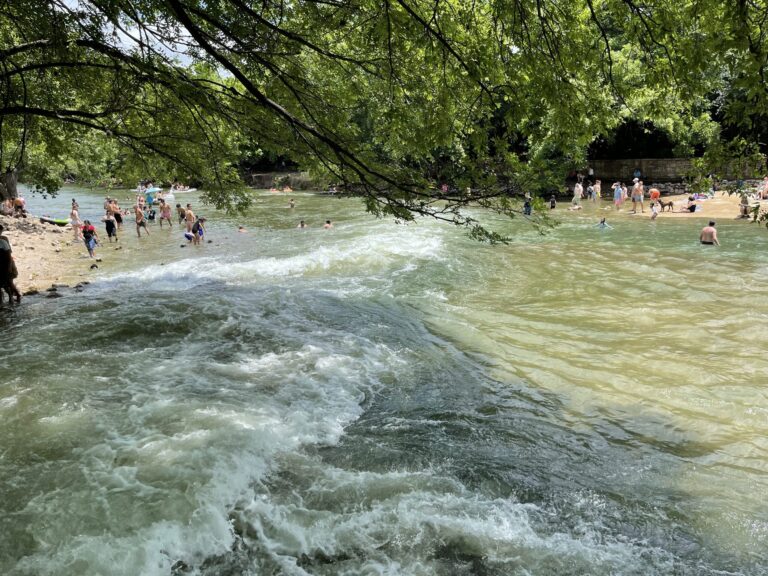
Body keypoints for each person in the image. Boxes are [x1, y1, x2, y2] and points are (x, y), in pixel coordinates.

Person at [0, 224, 22, 303]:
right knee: (4, 283)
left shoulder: (3, 240)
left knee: (9, 282)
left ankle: (16, 296)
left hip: (6, 264)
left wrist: (9, 268)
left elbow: (9, 256)